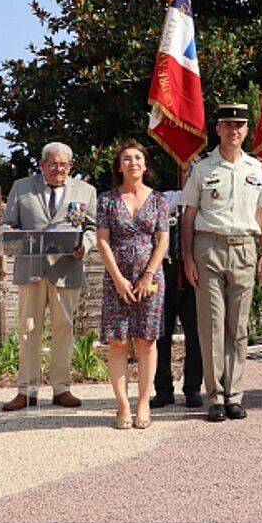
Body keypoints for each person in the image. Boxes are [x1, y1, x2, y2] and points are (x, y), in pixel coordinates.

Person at [181, 103, 262, 423]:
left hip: (245, 249)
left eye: (239, 126)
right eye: (228, 125)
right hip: (209, 248)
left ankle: (234, 394)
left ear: (246, 130)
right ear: (218, 129)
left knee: (238, 326)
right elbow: (189, 215)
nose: (234, 131)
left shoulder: (255, 168)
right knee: (212, 326)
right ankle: (215, 396)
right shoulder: (202, 169)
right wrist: (187, 256)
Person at [0, 141, 98, 411]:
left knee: (63, 328)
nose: (58, 169)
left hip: (67, 269)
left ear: (71, 166)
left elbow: (92, 228)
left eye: (63, 164)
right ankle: (27, 391)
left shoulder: (86, 191)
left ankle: (61, 388)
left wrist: (85, 245)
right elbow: (8, 224)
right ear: (42, 164)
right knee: (28, 329)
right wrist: (9, 237)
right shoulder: (21, 187)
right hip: (31, 269)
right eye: (53, 163)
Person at [95, 140, 170, 429]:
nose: (133, 163)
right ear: (119, 165)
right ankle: (123, 406)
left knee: (147, 341)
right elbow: (102, 241)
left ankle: (143, 404)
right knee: (118, 342)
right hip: (118, 277)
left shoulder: (158, 200)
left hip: (150, 278)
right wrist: (118, 279)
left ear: (145, 164)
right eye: (126, 158)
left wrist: (148, 274)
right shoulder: (107, 200)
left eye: (138, 158)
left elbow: (162, 240)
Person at [147, 192, 204, 409]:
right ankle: (162, 389)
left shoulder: (202, 198)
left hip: (191, 268)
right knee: (161, 333)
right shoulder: (164, 197)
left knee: (195, 333)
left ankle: (193, 387)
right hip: (164, 268)